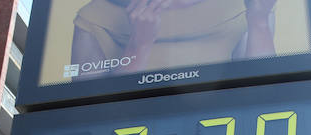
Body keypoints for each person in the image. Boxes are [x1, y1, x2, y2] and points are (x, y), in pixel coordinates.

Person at [70, 0, 279, 78]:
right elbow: (98, 113)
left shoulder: (246, 5)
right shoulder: (94, 17)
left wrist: (259, 20)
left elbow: (264, 95)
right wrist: (138, 47)